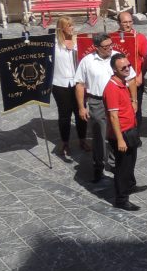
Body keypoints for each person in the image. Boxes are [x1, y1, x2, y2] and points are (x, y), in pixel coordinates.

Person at [76, 33, 136, 184]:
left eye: (111, 44)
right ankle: (99, 166)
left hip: (119, 102)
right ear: (96, 47)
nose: (110, 48)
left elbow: (131, 78)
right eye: (106, 46)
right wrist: (81, 107)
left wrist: (134, 100)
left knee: (120, 133)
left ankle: (118, 165)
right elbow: (80, 84)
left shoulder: (118, 58)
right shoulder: (87, 61)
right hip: (97, 102)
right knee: (100, 136)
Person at [103, 53, 146, 211]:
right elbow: (113, 116)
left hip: (130, 129)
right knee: (122, 167)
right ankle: (121, 199)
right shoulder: (112, 88)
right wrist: (120, 140)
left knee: (130, 163)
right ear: (114, 69)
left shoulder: (123, 83)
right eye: (124, 67)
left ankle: (129, 186)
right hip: (122, 134)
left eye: (129, 65)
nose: (128, 69)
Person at [52, 16, 87, 158]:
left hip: (78, 83)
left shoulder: (79, 41)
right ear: (62, 28)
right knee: (64, 115)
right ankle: (65, 143)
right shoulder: (53, 44)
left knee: (81, 112)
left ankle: (82, 140)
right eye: (69, 25)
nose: (72, 28)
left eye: (73, 25)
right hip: (60, 84)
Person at [110, 11, 147, 125]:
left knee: (136, 109)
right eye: (125, 22)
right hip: (117, 81)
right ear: (119, 23)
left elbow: (146, 59)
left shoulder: (140, 38)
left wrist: (141, 76)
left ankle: (135, 135)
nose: (128, 25)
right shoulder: (112, 37)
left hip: (135, 80)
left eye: (130, 21)